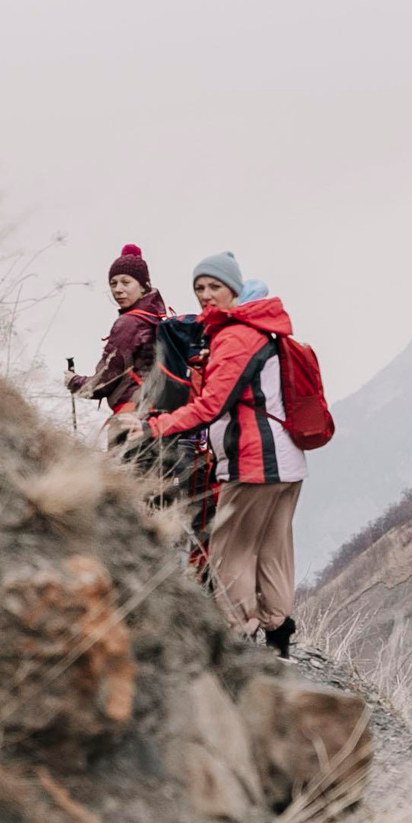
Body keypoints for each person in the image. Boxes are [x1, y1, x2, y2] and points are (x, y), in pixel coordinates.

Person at [139, 251, 303, 657]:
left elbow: (211, 405)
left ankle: (238, 636)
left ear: (235, 289)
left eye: (215, 286)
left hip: (253, 461)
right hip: (287, 460)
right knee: (272, 548)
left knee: (231, 549)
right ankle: (278, 634)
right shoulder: (264, 330)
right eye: (199, 288)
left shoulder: (235, 335)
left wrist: (153, 426)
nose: (206, 295)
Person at [66, 244, 168, 416]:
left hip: (132, 417)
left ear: (143, 286)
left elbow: (105, 381)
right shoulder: (157, 318)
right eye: (113, 283)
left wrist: (74, 382)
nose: (118, 289)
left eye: (126, 282)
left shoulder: (130, 323)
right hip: (161, 418)